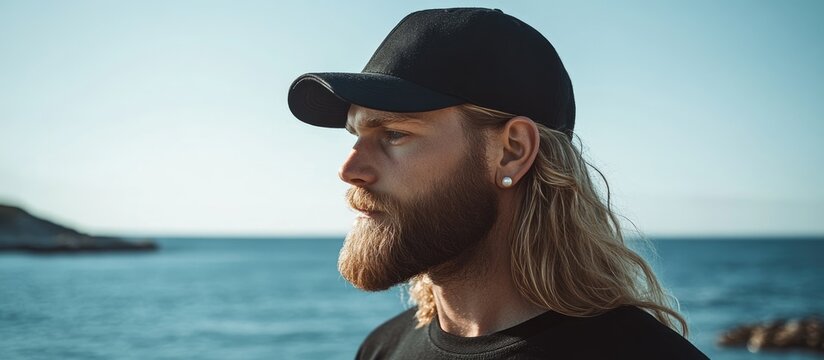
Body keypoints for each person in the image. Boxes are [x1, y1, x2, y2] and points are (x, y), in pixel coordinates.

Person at [287, 7, 709, 360]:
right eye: (355, 136)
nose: (349, 169)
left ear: (512, 151)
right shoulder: (383, 348)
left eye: (394, 134)